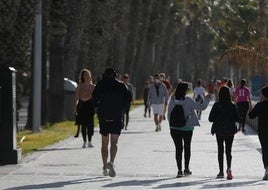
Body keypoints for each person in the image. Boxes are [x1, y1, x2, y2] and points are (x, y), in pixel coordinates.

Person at [92, 68, 131, 177]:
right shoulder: (121, 85)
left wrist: (98, 108)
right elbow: (129, 98)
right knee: (114, 142)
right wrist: (121, 106)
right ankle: (112, 162)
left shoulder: (100, 85)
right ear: (115, 75)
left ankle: (104, 167)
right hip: (117, 116)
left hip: (104, 117)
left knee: (104, 143)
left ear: (104, 75)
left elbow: (94, 99)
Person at [167, 81, 211, 177]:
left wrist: (172, 125)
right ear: (185, 91)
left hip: (174, 129)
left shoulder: (172, 100)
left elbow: (169, 114)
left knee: (178, 149)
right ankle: (186, 169)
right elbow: (201, 107)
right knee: (187, 148)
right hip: (187, 128)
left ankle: (179, 170)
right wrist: (207, 99)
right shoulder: (188, 100)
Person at [209, 86, 239, 180]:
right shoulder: (233, 105)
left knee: (220, 150)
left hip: (219, 130)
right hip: (230, 130)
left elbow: (210, 119)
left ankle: (221, 171)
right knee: (228, 151)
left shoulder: (216, 105)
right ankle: (229, 168)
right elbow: (237, 118)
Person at [248, 86, 268, 180]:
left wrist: (251, 107)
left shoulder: (260, 105)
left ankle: (267, 169)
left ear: (263, 95)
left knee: (265, 149)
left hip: (263, 131)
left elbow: (251, 116)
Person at [74, 69, 95, 148]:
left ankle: (90, 141)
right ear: (82, 76)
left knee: (90, 125)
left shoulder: (93, 86)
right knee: (83, 124)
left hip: (90, 106)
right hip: (82, 105)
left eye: (88, 75)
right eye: (85, 75)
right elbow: (76, 97)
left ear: (90, 76)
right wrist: (75, 107)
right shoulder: (80, 85)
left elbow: (96, 98)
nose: (87, 76)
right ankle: (84, 141)